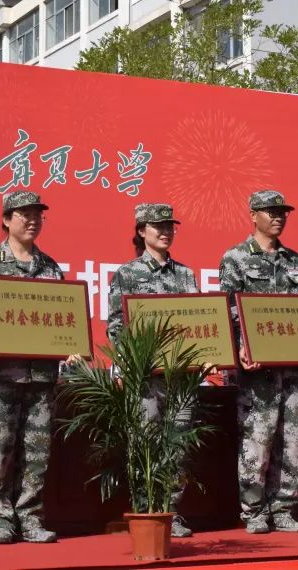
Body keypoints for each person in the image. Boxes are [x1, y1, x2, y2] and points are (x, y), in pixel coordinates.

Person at [0, 191, 80, 544]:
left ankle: (30, 519)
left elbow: (61, 321)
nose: (32, 221)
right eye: (24, 214)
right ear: (6, 220)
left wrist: (71, 348)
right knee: (0, 453)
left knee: (37, 454)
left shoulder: (50, 268)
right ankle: (1, 521)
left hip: (41, 379)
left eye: (37, 215)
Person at [219, 189, 298, 534]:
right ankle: (253, 511)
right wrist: (241, 349)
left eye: (283, 212)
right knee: (258, 439)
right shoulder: (235, 258)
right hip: (258, 370)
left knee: (292, 439)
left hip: (294, 369)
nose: (278, 217)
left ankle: (283, 509)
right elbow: (229, 312)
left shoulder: (295, 261)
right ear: (253, 215)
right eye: (270, 211)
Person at [106, 202, 199, 538]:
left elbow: (199, 321)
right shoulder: (127, 274)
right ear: (141, 231)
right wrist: (134, 359)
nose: (165, 232)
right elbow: (116, 326)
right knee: (145, 444)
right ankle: (147, 513)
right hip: (146, 377)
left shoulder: (185, 275)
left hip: (181, 377)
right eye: (158, 226)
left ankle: (172, 513)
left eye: (170, 226)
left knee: (178, 444)